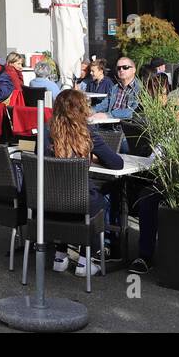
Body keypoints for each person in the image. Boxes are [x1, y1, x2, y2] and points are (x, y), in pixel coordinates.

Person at [44, 88, 123, 277]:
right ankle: (86, 259)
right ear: (80, 109)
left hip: (50, 201)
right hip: (81, 201)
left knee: (70, 197)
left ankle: (60, 256)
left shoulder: (47, 135)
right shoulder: (88, 134)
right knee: (100, 198)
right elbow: (117, 163)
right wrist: (93, 157)